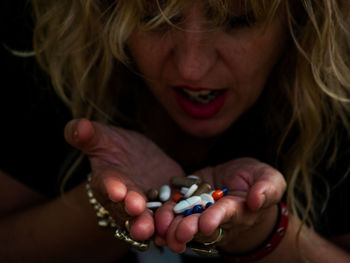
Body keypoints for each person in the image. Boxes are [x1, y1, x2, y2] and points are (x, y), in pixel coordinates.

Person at [1, 0, 350, 262]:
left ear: (302, 17)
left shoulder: (340, 91)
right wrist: (105, 204)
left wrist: (263, 231)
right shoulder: (47, 52)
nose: (192, 67)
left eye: (237, 19)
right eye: (153, 18)